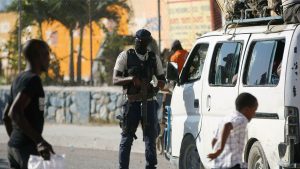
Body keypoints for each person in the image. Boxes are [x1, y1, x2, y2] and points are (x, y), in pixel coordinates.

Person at [113, 29, 166, 169]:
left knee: (150, 139)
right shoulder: (125, 56)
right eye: (137, 41)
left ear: (147, 43)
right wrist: (131, 79)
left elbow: (161, 79)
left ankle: (151, 166)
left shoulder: (153, 58)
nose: (139, 44)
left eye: (142, 42)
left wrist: (158, 85)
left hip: (149, 103)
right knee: (127, 138)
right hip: (131, 104)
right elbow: (115, 79)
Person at [2, 39, 55, 169]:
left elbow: (5, 117)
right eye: (47, 54)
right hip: (26, 150)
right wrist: (39, 141)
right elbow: (14, 112)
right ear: (38, 56)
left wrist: (16, 141)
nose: (49, 59)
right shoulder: (33, 80)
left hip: (14, 147)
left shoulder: (19, 78)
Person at [207, 93, 258, 169]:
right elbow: (228, 126)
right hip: (231, 164)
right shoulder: (242, 119)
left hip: (218, 164)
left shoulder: (226, 118)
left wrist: (217, 154)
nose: (254, 114)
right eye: (254, 111)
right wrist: (220, 150)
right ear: (247, 110)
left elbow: (214, 140)